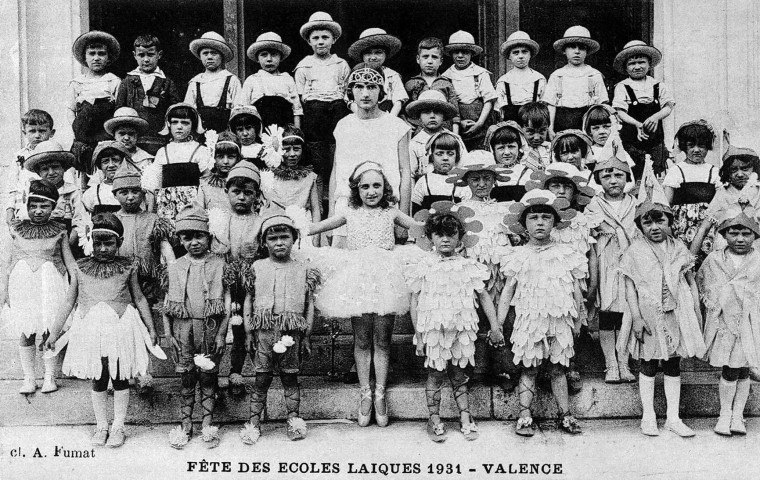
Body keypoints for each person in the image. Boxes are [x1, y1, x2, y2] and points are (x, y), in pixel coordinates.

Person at [308, 161, 424, 428]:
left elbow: (419, 226)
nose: (371, 191)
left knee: (382, 339)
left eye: (376, 186)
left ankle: (380, 392)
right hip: (357, 277)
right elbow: (318, 226)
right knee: (362, 339)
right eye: (365, 186)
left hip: (386, 277)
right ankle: (365, 393)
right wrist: (294, 225)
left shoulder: (391, 212)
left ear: (385, 189)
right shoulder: (349, 211)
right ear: (355, 189)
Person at [45, 212, 161, 448]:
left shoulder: (128, 266)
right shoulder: (80, 268)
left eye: (109, 243)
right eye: (98, 243)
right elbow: (69, 301)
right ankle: (101, 426)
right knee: (98, 377)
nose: (103, 248)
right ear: (90, 242)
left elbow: (139, 298)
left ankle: (118, 426)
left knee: (119, 376)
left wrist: (151, 328)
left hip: (120, 326)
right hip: (91, 328)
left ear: (119, 242)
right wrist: (54, 333)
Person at [406, 203, 500, 442]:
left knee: (459, 373)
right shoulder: (423, 266)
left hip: (461, 330)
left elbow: (484, 296)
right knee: (435, 373)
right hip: (434, 331)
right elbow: (415, 301)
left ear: (460, 237)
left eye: (451, 234)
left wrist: (495, 326)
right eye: (439, 234)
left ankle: (465, 416)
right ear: (430, 237)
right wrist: (418, 334)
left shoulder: (470, 266)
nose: (445, 239)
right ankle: (434, 417)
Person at [499, 189, 587, 436]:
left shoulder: (566, 254)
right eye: (533, 217)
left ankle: (565, 414)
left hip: (559, 321)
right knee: (529, 367)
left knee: (559, 367)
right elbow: (507, 291)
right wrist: (498, 323)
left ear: (555, 223)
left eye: (545, 218)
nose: (539, 222)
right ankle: (524, 413)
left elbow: (576, 291)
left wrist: (579, 317)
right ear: (525, 224)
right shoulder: (517, 255)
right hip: (530, 321)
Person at [619, 200, 705, 437]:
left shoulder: (679, 248)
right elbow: (629, 287)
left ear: (670, 222)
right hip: (647, 313)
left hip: (676, 312)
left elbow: (689, 282)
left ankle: (673, 418)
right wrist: (636, 317)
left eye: (660, 221)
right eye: (647, 222)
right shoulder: (634, 251)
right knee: (648, 362)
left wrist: (694, 313)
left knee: (672, 363)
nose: (654, 227)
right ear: (640, 226)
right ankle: (648, 416)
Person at [239, 214, 320, 444]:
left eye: (284, 237)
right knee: (261, 378)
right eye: (272, 238)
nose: (279, 243)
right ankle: (253, 423)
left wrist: (306, 336)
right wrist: (248, 332)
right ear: (264, 242)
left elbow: (309, 304)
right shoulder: (256, 267)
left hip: (290, 333)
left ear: (294, 238)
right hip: (264, 332)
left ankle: (293, 421)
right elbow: (248, 300)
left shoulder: (303, 268)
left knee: (290, 378)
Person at [524, 163, 598, 394]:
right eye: (555, 185)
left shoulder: (582, 221)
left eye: (567, 186)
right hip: (545, 283)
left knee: (574, 324)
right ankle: (543, 367)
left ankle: (570, 366)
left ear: (575, 192)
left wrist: (592, 286)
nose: (561, 190)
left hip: (574, 281)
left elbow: (591, 254)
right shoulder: (542, 219)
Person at [447, 150, 516, 392]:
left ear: (494, 180)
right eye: (475, 179)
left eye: (487, 178)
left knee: (501, 315)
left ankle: (502, 366)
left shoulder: (505, 209)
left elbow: (513, 237)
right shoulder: (460, 210)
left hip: (498, 269)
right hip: (471, 270)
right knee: (473, 317)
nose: (481, 184)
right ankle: (472, 366)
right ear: (467, 181)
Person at [1, 180, 77, 394]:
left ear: (53, 207)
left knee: (48, 330)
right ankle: (28, 377)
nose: (38, 211)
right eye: (33, 205)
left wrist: (76, 285)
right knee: (26, 331)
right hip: (23, 285)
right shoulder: (16, 229)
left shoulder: (60, 231)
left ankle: (50, 377)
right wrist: (4, 289)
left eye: (44, 206)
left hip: (50, 284)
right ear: (26, 205)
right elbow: (6, 262)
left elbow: (70, 263)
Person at [164, 205, 229, 449]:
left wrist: (222, 333)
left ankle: (208, 423)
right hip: (183, 329)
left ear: (209, 236)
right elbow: (169, 304)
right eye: (187, 237)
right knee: (187, 377)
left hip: (210, 328)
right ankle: (185, 423)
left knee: (208, 375)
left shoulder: (220, 264)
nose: (194, 242)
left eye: (199, 236)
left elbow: (227, 303)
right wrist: (169, 333)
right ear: (180, 239)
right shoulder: (175, 266)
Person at [331, 63, 412, 246]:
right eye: (359, 87)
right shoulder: (344, 125)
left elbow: (405, 171)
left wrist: (404, 219)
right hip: (346, 208)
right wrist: (331, 215)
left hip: (386, 206)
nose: (365, 93)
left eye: (372, 87)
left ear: (381, 91)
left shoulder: (396, 126)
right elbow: (337, 171)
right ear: (351, 91)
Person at [698, 208, 760, 436]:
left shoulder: (758, 260)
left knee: (743, 368)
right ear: (724, 235)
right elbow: (702, 283)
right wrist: (716, 300)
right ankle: (724, 414)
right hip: (723, 321)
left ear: (755, 235)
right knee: (730, 367)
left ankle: (737, 415)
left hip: (750, 322)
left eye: (746, 234)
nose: (740, 239)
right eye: (734, 233)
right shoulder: (715, 259)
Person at [209, 161, 267, 396]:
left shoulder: (261, 222)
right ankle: (210, 372)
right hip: (224, 282)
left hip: (251, 283)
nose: (242, 198)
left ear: (257, 195)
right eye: (236, 192)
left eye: (248, 193)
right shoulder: (219, 220)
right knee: (219, 324)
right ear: (227, 192)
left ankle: (236, 371)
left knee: (243, 327)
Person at [585, 156, 638, 383]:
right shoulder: (593, 206)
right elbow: (590, 235)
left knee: (628, 310)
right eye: (606, 176)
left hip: (631, 262)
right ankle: (611, 364)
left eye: (618, 175)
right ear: (598, 179)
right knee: (608, 313)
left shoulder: (635, 203)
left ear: (627, 178)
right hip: (605, 262)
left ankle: (624, 362)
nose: (613, 180)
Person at [295, 12, 351, 203]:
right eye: (315, 38)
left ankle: (336, 197)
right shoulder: (304, 66)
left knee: (336, 154)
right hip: (314, 115)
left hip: (336, 111)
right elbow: (300, 98)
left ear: (333, 39)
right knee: (317, 157)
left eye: (325, 37)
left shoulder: (341, 64)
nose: (320, 42)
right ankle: (319, 200)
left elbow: (346, 91)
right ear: (309, 42)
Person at [142, 103, 213, 223]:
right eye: (175, 122)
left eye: (185, 123)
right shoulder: (163, 152)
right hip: (166, 207)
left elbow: (206, 182)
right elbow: (154, 185)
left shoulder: (200, 150)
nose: (179, 127)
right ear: (168, 124)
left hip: (193, 206)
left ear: (193, 125)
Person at [663, 120, 720, 265]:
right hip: (681, 227)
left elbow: (720, 201)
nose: (696, 150)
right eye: (691, 145)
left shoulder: (714, 172)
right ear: (683, 147)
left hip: (708, 227)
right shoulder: (676, 171)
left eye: (701, 145)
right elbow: (666, 203)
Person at [613, 40, 674, 176]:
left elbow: (669, 106)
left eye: (641, 62)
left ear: (649, 64)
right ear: (625, 67)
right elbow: (620, 111)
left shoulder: (658, 85)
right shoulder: (622, 86)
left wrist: (656, 117)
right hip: (631, 142)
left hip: (655, 141)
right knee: (634, 172)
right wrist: (636, 124)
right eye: (632, 63)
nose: (637, 66)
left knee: (656, 171)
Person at [68, 31, 121, 178]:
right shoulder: (77, 83)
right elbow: (70, 110)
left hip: (105, 138)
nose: (96, 58)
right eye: (92, 53)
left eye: (101, 53)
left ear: (108, 57)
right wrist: (78, 128)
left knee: (105, 175)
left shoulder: (113, 81)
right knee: (83, 177)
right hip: (83, 138)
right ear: (85, 57)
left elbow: (118, 111)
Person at [115, 34, 181, 155]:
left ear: (159, 55)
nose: (146, 59)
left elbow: (175, 112)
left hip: (159, 140)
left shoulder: (167, 82)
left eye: (150, 55)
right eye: (141, 55)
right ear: (134, 55)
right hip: (132, 141)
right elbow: (119, 109)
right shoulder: (127, 81)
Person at [7, 141, 81, 247]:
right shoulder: (32, 191)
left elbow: (79, 224)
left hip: (66, 242)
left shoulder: (72, 192)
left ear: (64, 168)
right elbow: (23, 219)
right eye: (45, 169)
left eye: (55, 167)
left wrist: (65, 247)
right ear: (38, 172)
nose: (51, 173)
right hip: (37, 242)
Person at [691, 145, 760, 255]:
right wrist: (689, 262)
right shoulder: (723, 193)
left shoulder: (758, 193)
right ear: (727, 172)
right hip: (726, 249)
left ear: (754, 169)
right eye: (734, 170)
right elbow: (704, 229)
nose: (740, 174)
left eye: (745, 169)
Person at [259, 125, 321, 246]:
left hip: (302, 228)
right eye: (286, 149)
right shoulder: (268, 176)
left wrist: (316, 237)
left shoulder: (309, 177)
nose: (292, 154)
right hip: (276, 230)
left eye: (296, 149)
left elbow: (316, 209)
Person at [543, 26, 607, 134]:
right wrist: (550, 129)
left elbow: (602, 105)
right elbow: (551, 105)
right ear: (564, 50)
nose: (577, 51)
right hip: (562, 122)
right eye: (572, 47)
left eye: (581, 48)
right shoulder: (557, 76)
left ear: (587, 51)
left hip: (587, 123)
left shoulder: (594, 75)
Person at [442, 31, 497, 151]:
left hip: (481, 122)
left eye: (465, 52)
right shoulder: (446, 77)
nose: (460, 56)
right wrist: (459, 122)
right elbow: (447, 106)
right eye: (456, 52)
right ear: (451, 54)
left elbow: (489, 100)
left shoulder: (480, 73)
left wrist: (479, 123)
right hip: (457, 124)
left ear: (472, 53)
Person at [75, 141, 133, 253]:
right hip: (104, 248)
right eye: (105, 161)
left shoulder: (133, 190)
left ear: (123, 162)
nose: (111, 165)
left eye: (115, 160)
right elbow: (85, 222)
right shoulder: (92, 193)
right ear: (100, 166)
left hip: (128, 244)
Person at [4, 109, 59, 224]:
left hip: (49, 212)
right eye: (32, 131)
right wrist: (10, 210)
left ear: (51, 133)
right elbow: (12, 187)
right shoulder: (19, 156)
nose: (37, 136)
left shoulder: (56, 155)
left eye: (42, 131)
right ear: (25, 133)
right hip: (24, 211)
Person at [240, 32, 303, 129]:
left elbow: (296, 109)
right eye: (264, 55)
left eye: (274, 55)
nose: (269, 59)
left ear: (280, 57)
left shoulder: (287, 79)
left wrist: (297, 132)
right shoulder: (252, 80)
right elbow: (244, 110)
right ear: (257, 58)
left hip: (285, 129)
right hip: (260, 129)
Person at [184, 32, 242, 134]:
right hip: (200, 132)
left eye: (214, 53)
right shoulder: (195, 82)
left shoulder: (231, 80)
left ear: (222, 56)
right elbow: (188, 111)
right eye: (205, 53)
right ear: (200, 56)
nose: (209, 57)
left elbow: (238, 109)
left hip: (225, 132)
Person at [404, 37, 460, 134]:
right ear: (418, 59)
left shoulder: (446, 84)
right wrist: (406, 124)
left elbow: (455, 114)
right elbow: (402, 111)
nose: (430, 61)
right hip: (417, 132)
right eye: (425, 57)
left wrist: (455, 136)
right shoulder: (410, 84)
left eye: (434, 57)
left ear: (441, 61)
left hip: (442, 133)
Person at [405, 89, 465, 180]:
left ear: (444, 116)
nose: (432, 116)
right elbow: (411, 175)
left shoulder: (454, 139)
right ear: (419, 116)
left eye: (437, 112)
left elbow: (464, 167)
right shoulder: (415, 143)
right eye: (426, 112)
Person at [348, 28, 407, 116]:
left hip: (388, 117)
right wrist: (363, 116)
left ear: (385, 54)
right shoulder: (356, 74)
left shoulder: (392, 75)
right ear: (362, 56)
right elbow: (350, 101)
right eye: (368, 53)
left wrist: (390, 119)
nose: (373, 57)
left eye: (378, 53)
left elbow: (398, 101)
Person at [411, 132, 470, 215]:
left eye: (450, 154)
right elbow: (415, 213)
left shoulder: (462, 183)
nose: (445, 158)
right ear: (431, 156)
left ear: (457, 156)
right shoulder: (424, 182)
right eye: (439, 154)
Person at [495, 31, 545, 123]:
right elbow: (499, 111)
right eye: (516, 53)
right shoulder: (503, 81)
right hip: (511, 125)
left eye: (524, 52)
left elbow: (545, 106)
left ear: (530, 54)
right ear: (509, 56)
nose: (521, 56)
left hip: (533, 125)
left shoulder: (539, 79)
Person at [485, 121, 533, 202]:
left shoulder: (527, 173)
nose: (507, 152)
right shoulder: (487, 174)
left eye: (511, 147)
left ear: (519, 148)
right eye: (501, 148)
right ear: (493, 150)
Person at [196, 131, 242, 212]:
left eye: (231, 157)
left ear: (238, 158)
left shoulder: (244, 182)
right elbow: (199, 212)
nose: (225, 161)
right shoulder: (205, 183)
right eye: (220, 157)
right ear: (213, 157)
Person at [103, 107, 155, 175]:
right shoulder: (105, 157)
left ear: (137, 135)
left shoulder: (146, 160)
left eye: (131, 134)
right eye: (122, 133)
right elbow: (97, 183)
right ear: (114, 135)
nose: (126, 138)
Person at [228, 105, 268, 170]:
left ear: (256, 128)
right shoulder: (232, 149)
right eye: (240, 129)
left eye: (248, 128)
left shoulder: (264, 150)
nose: (245, 133)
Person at [517, 102, 552, 168]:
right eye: (531, 132)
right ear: (520, 129)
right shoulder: (517, 149)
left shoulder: (550, 149)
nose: (537, 137)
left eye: (542, 131)